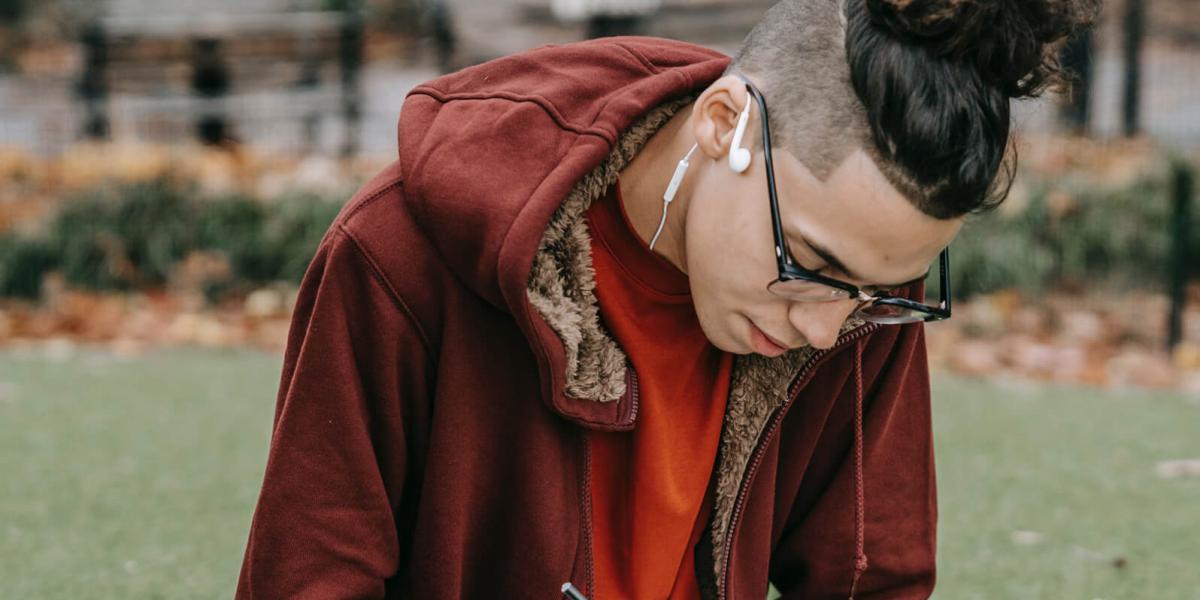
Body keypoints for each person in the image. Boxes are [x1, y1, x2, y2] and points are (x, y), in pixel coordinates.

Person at [235, 0, 1097, 598]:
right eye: (810, 262)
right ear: (726, 126)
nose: (830, 325)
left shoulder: (856, 296)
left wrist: (856, 286)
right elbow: (310, 579)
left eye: (884, 292)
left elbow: (875, 581)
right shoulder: (395, 256)